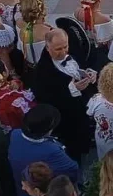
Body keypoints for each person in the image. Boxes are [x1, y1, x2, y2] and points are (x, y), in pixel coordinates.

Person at [31, 30, 96, 162]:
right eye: (58, 49)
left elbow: (83, 63)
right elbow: (44, 98)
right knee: (73, 152)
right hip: (66, 121)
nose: (63, 52)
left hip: (82, 111)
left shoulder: (72, 53)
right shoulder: (42, 70)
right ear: (47, 47)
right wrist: (72, 89)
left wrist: (90, 73)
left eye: (65, 47)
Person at [7, 104, 79, 196]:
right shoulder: (52, 150)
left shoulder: (15, 134)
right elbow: (73, 170)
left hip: (23, 194)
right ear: (47, 131)